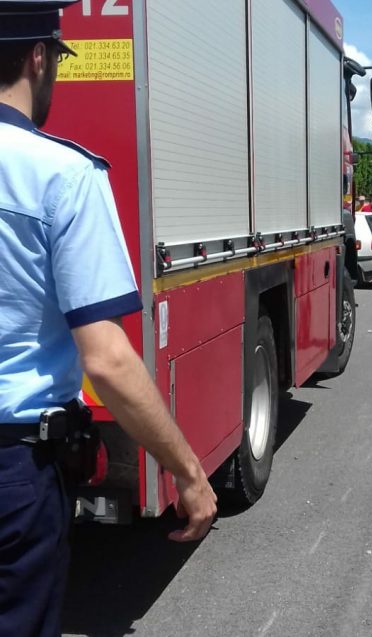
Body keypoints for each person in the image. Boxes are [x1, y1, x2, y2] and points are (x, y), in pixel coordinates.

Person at [0, 3, 217, 635]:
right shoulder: (62, 176)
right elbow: (108, 360)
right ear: (38, 57)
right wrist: (188, 472)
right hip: (13, 473)